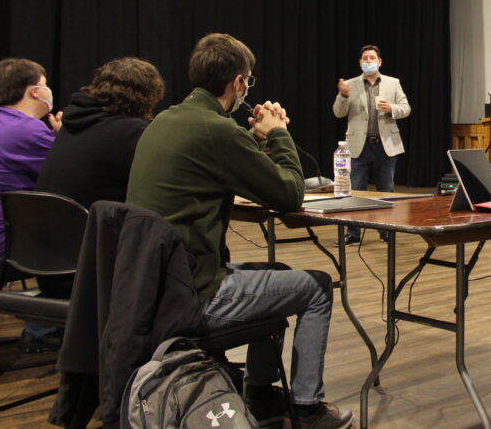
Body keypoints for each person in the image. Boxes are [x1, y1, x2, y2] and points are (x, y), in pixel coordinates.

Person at [127, 33, 352, 429]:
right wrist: (279, 133)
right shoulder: (216, 131)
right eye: (249, 80)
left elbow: (220, 164)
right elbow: (289, 194)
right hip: (195, 294)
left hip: (155, 288)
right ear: (238, 83)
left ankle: (261, 394)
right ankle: (307, 408)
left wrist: (252, 139)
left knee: (279, 276)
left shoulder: (168, 120)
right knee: (316, 287)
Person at [0, 57, 63, 352]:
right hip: (3, 248)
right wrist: (61, 139)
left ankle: (41, 327)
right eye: (45, 86)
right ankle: (45, 327)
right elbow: (66, 177)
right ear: (35, 92)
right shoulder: (28, 132)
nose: (48, 91)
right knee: (86, 238)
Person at [36, 57, 165, 208]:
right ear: (148, 97)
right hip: (90, 229)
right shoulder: (132, 132)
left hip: (45, 227)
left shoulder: (72, 122)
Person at [333, 44, 410, 245]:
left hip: (386, 145)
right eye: (365, 58)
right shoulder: (349, 85)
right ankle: (353, 234)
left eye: (372, 58)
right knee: (355, 191)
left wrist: (391, 108)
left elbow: (406, 108)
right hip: (359, 145)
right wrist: (343, 95)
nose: (369, 61)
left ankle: (386, 231)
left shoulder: (393, 83)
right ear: (360, 62)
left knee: (387, 191)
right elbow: (338, 112)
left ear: (379, 61)